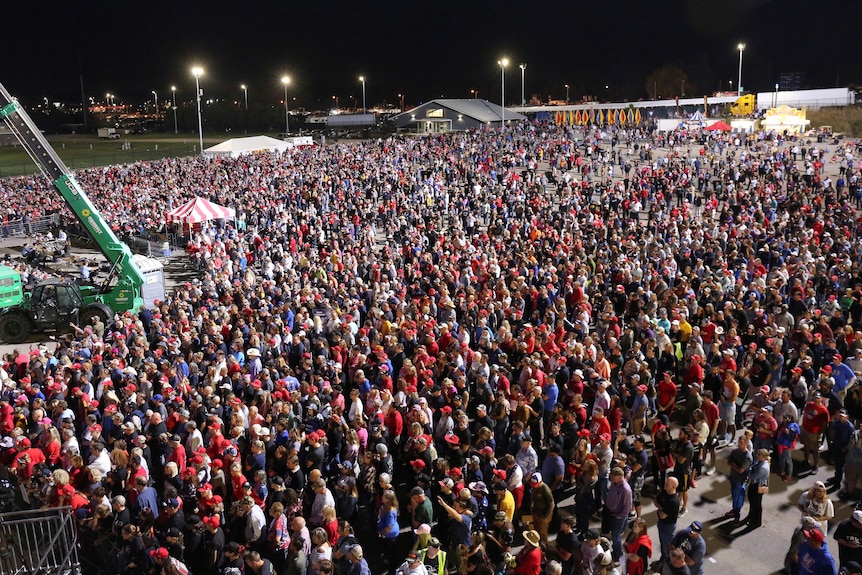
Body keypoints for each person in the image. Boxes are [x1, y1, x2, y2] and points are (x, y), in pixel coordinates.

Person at [603, 466, 632, 564]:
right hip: (610, 512)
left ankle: (618, 554)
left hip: (618, 516)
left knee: (616, 536)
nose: (611, 478)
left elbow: (628, 506)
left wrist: (620, 515)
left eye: (613, 477)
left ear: (619, 477)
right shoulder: (615, 483)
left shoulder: (625, 489)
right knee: (614, 534)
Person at [725, 434, 752, 526]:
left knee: (738, 500)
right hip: (733, 477)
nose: (739, 444)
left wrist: (733, 465)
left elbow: (741, 470)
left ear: (746, 444)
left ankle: (737, 517)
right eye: (739, 442)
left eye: (741, 443)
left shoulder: (747, 457)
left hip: (740, 481)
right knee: (734, 496)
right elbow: (729, 462)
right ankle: (734, 511)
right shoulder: (735, 451)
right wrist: (734, 465)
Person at [654, 476, 680, 568]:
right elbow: (655, 501)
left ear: (673, 487)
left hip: (668, 526)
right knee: (663, 544)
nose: (665, 484)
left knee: (667, 546)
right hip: (662, 524)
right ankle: (663, 559)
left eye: (667, 484)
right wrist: (661, 508)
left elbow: (662, 515)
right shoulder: (665, 492)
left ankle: (667, 564)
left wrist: (660, 508)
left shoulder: (673, 501)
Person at [746, 449, 771, 528]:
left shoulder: (763, 467)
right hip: (757, 484)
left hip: (759, 486)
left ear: (763, 457)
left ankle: (756, 521)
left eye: (759, 455)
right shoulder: (760, 462)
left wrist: (749, 470)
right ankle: (751, 516)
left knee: (756, 504)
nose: (757, 456)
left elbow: (753, 476)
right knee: (752, 501)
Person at [529, 472, 555, 547]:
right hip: (536, 512)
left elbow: (551, 504)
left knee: (543, 533)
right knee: (536, 529)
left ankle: (544, 549)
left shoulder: (545, 489)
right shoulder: (535, 488)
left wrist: (545, 515)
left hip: (543, 514)